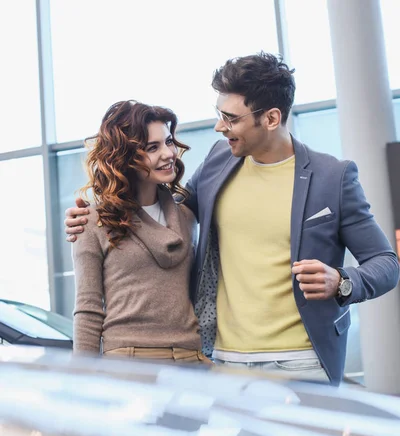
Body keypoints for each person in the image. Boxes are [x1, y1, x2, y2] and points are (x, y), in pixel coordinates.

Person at [65, 52, 399, 385]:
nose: (219, 126)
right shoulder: (217, 161)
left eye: (230, 117)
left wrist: (341, 281)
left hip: (302, 362)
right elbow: (156, 211)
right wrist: (91, 215)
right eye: (219, 114)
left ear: (270, 118)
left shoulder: (333, 177)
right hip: (224, 363)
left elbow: (386, 263)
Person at [71, 99, 209, 365]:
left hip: (190, 360)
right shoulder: (91, 222)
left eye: (168, 142)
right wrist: (82, 380)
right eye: (152, 147)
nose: (168, 154)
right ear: (124, 157)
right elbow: (88, 310)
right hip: (129, 364)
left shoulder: (187, 217)